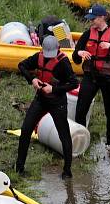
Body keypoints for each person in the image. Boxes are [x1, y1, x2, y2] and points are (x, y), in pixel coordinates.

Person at [15, 36, 78, 179]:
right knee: (25, 130)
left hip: (58, 102)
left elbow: (74, 83)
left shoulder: (64, 63)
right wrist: (32, 79)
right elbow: (21, 65)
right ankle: (19, 168)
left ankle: (67, 171)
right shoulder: (38, 56)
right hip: (41, 99)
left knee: (64, 135)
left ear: (58, 49)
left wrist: (54, 89)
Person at [71, 4, 110, 147]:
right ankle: (81, 141)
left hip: (109, 79)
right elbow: (76, 57)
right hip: (91, 77)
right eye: (91, 19)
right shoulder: (87, 34)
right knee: (80, 110)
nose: (91, 22)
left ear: (102, 17)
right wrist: (79, 53)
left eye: (94, 19)